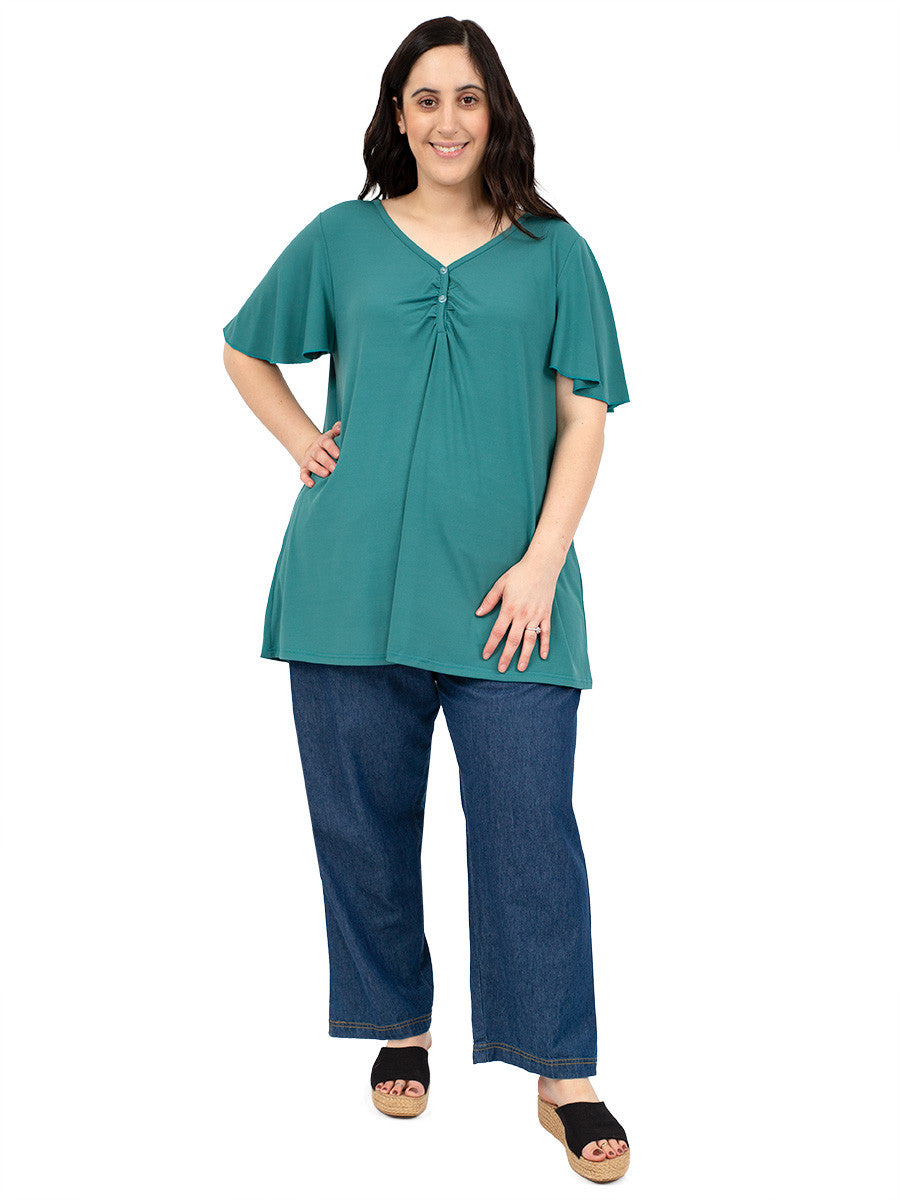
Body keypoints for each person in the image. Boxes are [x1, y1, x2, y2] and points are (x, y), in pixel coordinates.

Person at [222, 15, 632, 1185]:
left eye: (467, 97)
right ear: (397, 118)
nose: (448, 120)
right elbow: (246, 349)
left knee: (530, 834)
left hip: (512, 598)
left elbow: (585, 419)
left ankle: (563, 1077)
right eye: (426, 99)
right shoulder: (340, 238)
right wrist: (301, 440)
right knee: (360, 824)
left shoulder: (557, 253)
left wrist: (544, 561)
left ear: (495, 112)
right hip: (345, 587)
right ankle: (398, 1023)